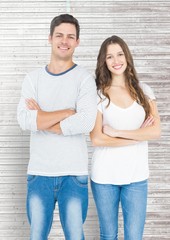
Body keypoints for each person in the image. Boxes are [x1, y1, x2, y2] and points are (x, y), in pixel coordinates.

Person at [17, 14, 97, 240]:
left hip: (73, 174)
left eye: (71, 37)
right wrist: (65, 113)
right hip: (39, 174)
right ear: (50, 38)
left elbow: (85, 122)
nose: (65, 41)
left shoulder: (84, 79)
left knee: (74, 236)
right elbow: (24, 120)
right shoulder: (32, 79)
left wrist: (42, 118)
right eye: (59, 35)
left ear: (77, 42)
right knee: (36, 236)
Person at [90, 35, 161, 240]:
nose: (116, 60)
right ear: (104, 61)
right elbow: (97, 139)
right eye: (109, 56)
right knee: (108, 235)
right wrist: (139, 135)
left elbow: (155, 131)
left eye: (120, 54)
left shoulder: (144, 92)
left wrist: (118, 132)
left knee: (134, 237)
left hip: (136, 177)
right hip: (104, 177)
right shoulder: (98, 94)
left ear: (127, 56)